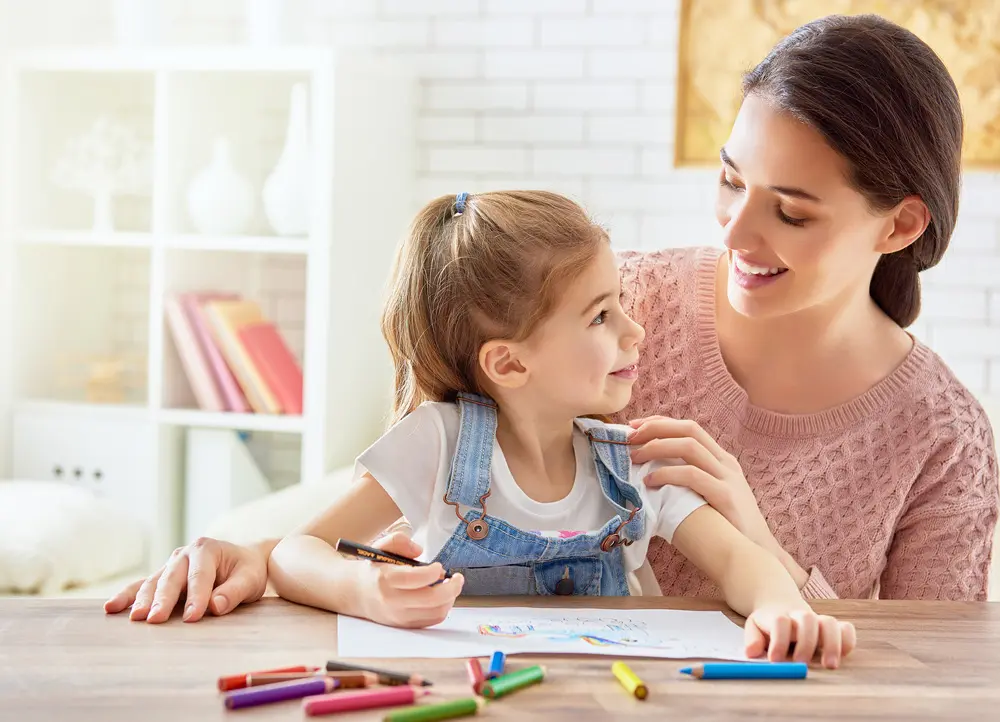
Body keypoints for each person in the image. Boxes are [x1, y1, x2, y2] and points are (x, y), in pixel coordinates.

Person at [104, 13, 997, 626]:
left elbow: (935, 667)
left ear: (901, 223)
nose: (734, 230)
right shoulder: (620, 300)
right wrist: (257, 555)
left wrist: (765, 555)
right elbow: (427, 475)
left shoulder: (943, 437)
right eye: (730, 179)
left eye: (791, 211)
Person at [271, 189, 856, 666]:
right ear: (509, 362)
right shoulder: (438, 442)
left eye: (621, 303)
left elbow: (734, 562)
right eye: (601, 315)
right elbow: (295, 553)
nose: (635, 331)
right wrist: (365, 591)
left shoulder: (633, 461)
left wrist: (780, 607)